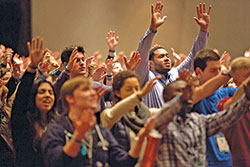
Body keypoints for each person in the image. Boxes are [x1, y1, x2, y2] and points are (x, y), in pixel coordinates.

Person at [41, 76, 154, 167]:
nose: (93, 93)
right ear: (70, 98)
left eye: (92, 90)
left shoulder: (100, 131)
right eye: (86, 90)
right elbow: (56, 162)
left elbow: (123, 162)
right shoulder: (56, 130)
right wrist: (78, 135)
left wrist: (140, 140)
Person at [152, 76, 250, 167]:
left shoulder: (197, 120)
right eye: (181, 91)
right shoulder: (159, 122)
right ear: (166, 98)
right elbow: (162, 116)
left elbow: (226, 117)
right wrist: (180, 100)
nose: (188, 95)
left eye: (190, 92)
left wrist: (246, 98)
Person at [135, 2, 211, 108]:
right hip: (155, 123)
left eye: (167, 55)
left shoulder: (176, 73)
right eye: (161, 56)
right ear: (150, 63)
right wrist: (152, 29)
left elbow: (195, 56)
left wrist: (203, 31)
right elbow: (142, 52)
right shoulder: (146, 77)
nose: (166, 58)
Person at [11, 37, 58, 167]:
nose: (47, 96)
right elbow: (20, 101)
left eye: (50, 92)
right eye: (42, 92)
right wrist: (32, 68)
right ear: (33, 97)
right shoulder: (23, 121)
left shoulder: (57, 123)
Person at [192, 49, 237, 167]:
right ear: (198, 72)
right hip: (204, 162)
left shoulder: (226, 92)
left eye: (219, 69)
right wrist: (228, 74)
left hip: (227, 160)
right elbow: (203, 91)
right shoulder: (193, 97)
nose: (218, 74)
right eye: (213, 70)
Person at [101, 71, 160, 153]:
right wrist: (139, 96)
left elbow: (168, 110)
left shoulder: (147, 113)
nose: (135, 93)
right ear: (117, 93)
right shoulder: (108, 114)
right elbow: (116, 112)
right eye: (129, 89)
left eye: (137, 88)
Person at [216, 57, 250, 167]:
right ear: (235, 81)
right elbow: (229, 107)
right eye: (247, 76)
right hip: (241, 161)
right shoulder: (224, 102)